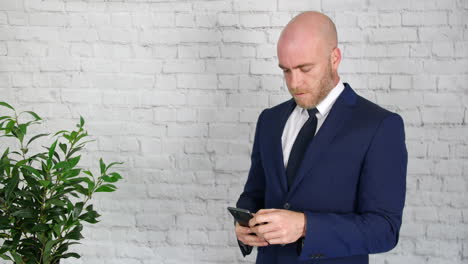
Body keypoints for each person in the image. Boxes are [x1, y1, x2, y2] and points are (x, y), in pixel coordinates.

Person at [234, 11, 407, 264]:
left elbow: (385, 229)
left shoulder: (379, 126)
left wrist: (306, 226)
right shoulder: (270, 120)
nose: (294, 83)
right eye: (286, 71)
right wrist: (244, 225)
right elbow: (255, 193)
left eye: (305, 68)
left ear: (334, 58)